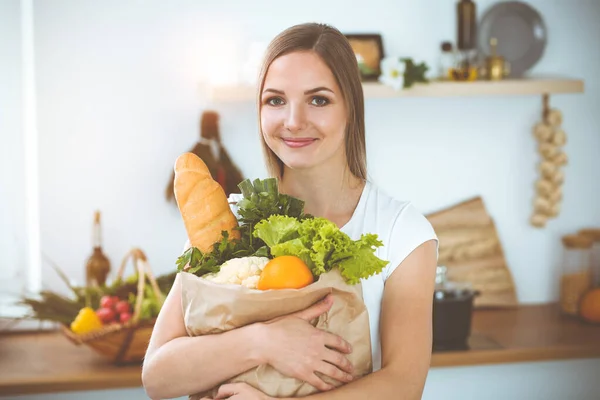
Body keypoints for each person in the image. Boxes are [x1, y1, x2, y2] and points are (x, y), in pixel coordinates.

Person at [142, 22, 438, 400]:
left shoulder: (402, 233)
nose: (294, 121)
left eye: (318, 100)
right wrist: (262, 342)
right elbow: (158, 377)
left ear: (351, 107)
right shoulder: (228, 218)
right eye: (275, 100)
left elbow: (404, 385)